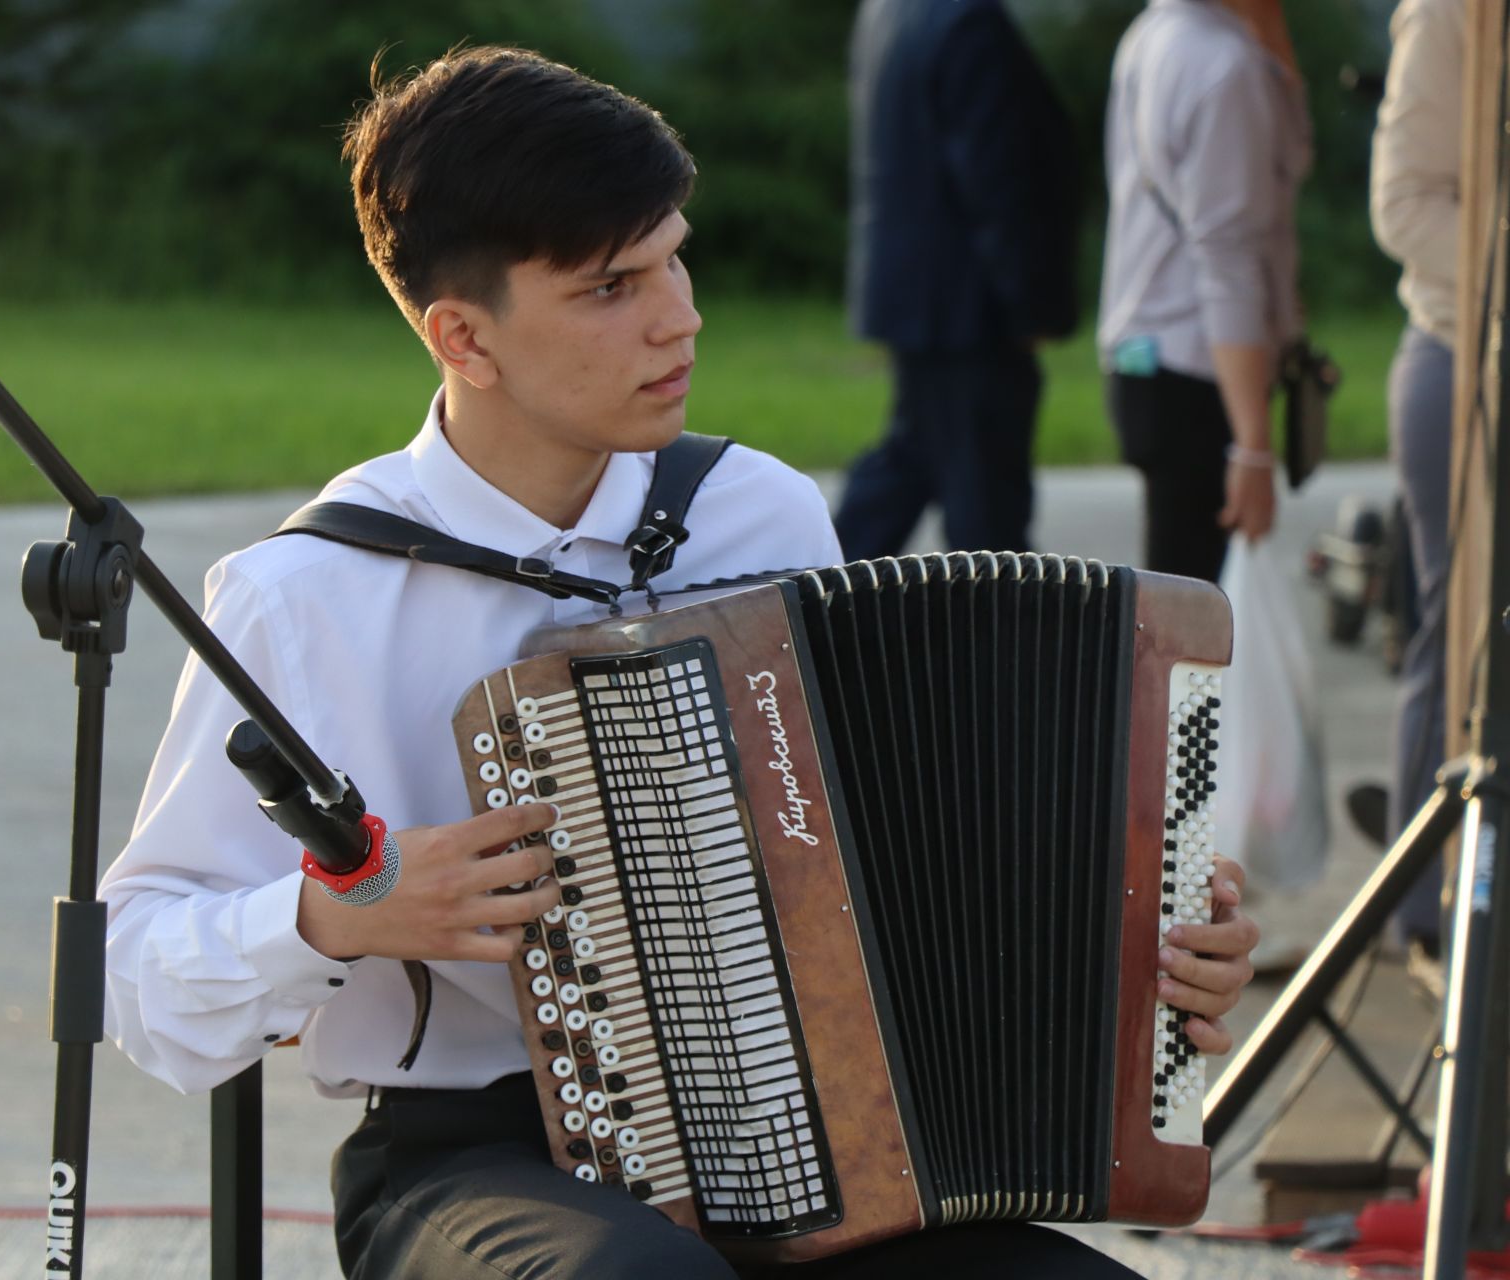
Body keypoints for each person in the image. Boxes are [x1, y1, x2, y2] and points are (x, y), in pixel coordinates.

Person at [100, 47, 1259, 1279]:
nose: (679, 316)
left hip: (831, 1135)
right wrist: (337, 911)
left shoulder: (759, 512)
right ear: (464, 337)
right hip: (476, 1152)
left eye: (673, 259)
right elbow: (137, 981)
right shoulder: (305, 596)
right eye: (611, 287)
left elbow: (896, 853)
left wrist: (1148, 929)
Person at [831, 0, 1079, 561]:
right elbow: (1002, 180)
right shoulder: (968, 22)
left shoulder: (890, 10)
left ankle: (807, 598)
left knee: (909, 462)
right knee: (985, 506)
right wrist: (1030, 303)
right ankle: (995, 637)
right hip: (968, 306)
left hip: (920, 294)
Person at [1098, 0, 1310, 584]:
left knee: (1175, 610)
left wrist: (1268, 26)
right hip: (1198, 372)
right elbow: (1229, 258)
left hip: (1145, 354)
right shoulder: (1227, 67)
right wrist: (1252, 446)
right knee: (1188, 635)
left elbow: (1290, 150)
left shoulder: (1156, 31)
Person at [1370, 0, 1462, 971]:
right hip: (1464, 352)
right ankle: (1425, 908)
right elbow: (1402, 203)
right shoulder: (1453, 14)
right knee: (1459, 629)